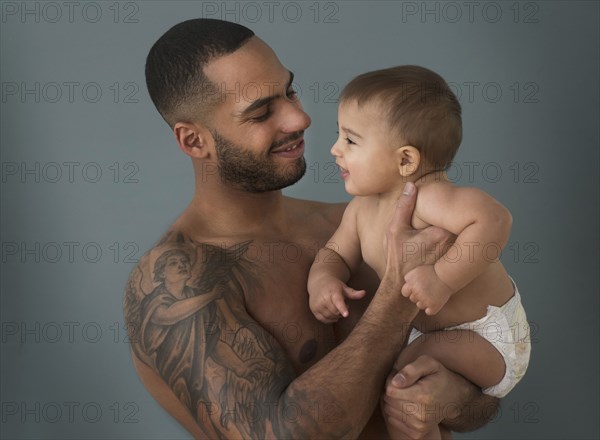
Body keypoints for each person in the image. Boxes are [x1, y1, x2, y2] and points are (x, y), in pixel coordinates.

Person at [123, 19, 499, 439]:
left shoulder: (358, 223)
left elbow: (485, 393)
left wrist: (451, 395)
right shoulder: (180, 282)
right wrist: (396, 297)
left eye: (289, 91)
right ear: (194, 141)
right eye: (262, 112)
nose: (299, 118)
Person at [307, 66, 531, 438]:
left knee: (397, 379)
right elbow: (335, 253)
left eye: (351, 140)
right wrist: (323, 280)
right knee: (398, 380)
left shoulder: (430, 198)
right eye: (338, 134)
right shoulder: (361, 210)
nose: (335, 149)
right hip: (430, 336)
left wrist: (443, 277)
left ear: (406, 160)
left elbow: (495, 220)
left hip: (488, 336)